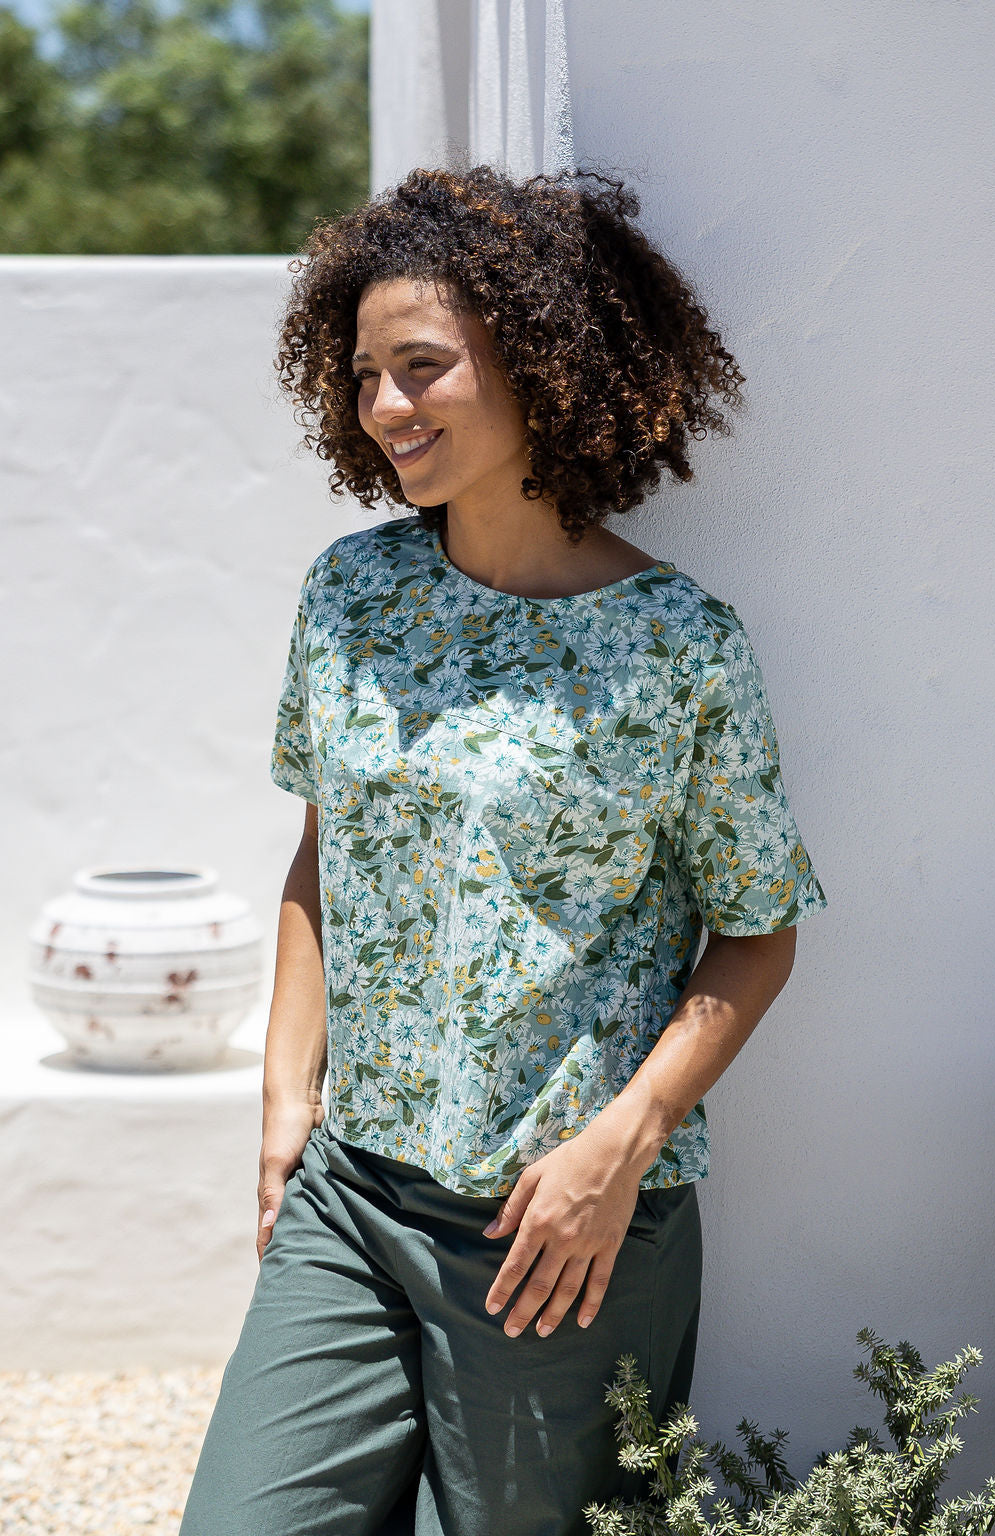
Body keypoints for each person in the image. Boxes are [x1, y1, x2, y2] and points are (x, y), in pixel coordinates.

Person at [179, 161, 828, 1536]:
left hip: (561, 1232)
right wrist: (286, 1099)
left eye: (419, 367)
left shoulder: (680, 646)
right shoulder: (352, 593)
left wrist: (621, 1145)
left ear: (538, 360)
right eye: (362, 376)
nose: (384, 407)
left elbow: (759, 929)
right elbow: (321, 857)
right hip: (354, 1197)